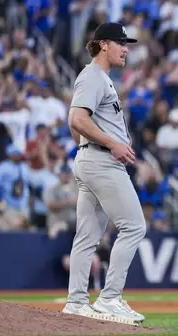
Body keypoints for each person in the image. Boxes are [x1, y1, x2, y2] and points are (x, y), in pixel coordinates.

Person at [61, 22, 147, 325]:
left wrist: (87, 148)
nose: (126, 49)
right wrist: (110, 144)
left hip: (91, 158)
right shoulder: (94, 77)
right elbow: (76, 118)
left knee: (86, 236)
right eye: (121, 43)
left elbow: (77, 124)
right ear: (103, 45)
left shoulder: (100, 79)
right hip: (101, 162)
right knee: (134, 226)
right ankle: (110, 297)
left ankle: (75, 301)